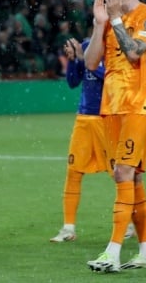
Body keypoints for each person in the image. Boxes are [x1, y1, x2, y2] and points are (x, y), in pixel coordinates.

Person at [84, 0, 146, 273]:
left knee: (123, 174)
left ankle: (112, 252)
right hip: (111, 106)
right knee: (134, 178)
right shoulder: (108, 18)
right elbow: (90, 63)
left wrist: (114, 18)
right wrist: (97, 23)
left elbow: (134, 53)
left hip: (137, 105)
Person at [49, 36, 109, 243]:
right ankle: (68, 228)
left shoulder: (115, 45)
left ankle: (129, 223)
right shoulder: (86, 45)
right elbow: (73, 82)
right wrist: (75, 60)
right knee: (73, 171)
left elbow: (111, 77)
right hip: (83, 117)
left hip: (107, 118)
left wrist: (86, 60)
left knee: (119, 173)